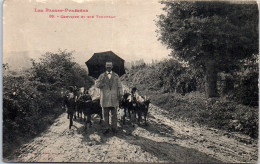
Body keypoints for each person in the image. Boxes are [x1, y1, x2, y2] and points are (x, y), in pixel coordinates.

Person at [96, 61, 123, 134]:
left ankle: (114, 128)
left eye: (110, 67)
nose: (109, 68)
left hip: (114, 98)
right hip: (105, 98)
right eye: (107, 67)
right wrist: (101, 82)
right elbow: (97, 85)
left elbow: (120, 86)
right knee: (105, 114)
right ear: (105, 67)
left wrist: (120, 94)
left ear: (112, 67)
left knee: (114, 114)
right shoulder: (102, 76)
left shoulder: (116, 76)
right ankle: (106, 128)